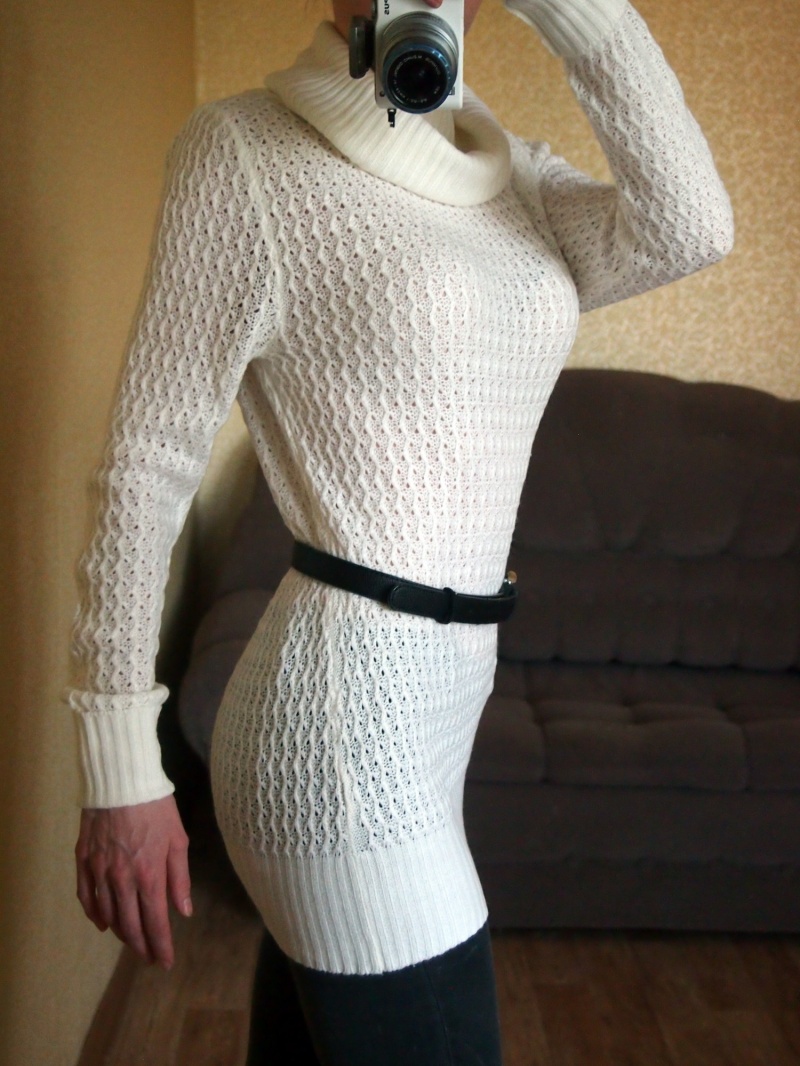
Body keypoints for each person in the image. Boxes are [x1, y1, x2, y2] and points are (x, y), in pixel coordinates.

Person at [68, 0, 733, 1061]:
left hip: (443, 707)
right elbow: (147, 464)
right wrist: (119, 768)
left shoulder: (509, 170)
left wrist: (580, 12)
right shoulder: (244, 152)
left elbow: (689, 226)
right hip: (336, 723)